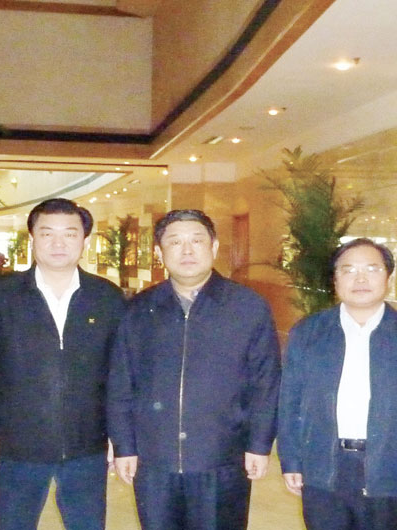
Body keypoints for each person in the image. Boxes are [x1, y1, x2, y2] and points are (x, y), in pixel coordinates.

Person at [108, 209, 281, 530]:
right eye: (175, 242)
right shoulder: (139, 310)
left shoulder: (247, 307)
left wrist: (259, 444)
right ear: (159, 252)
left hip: (222, 458)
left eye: (197, 241)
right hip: (154, 459)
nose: (187, 250)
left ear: (214, 247)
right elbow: (121, 382)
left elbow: (266, 382)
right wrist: (124, 445)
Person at [0, 198, 126, 530]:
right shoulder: (1, 297)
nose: (58, 243)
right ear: (32, 238)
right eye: (47, 233)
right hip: (17, 444)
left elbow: (121, 372)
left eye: (70, 234)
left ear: (84, 240)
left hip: (88, 444)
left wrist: (119, 435)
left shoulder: (107, 297)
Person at [277, 237, 397, 530]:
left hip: (391, 468)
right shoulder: (308, 333)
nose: (360, 279)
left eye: (372, 268)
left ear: (388, 278)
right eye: (349, 270)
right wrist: (291, 459)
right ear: (335, 280)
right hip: (323, 466)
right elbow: (289, 402)